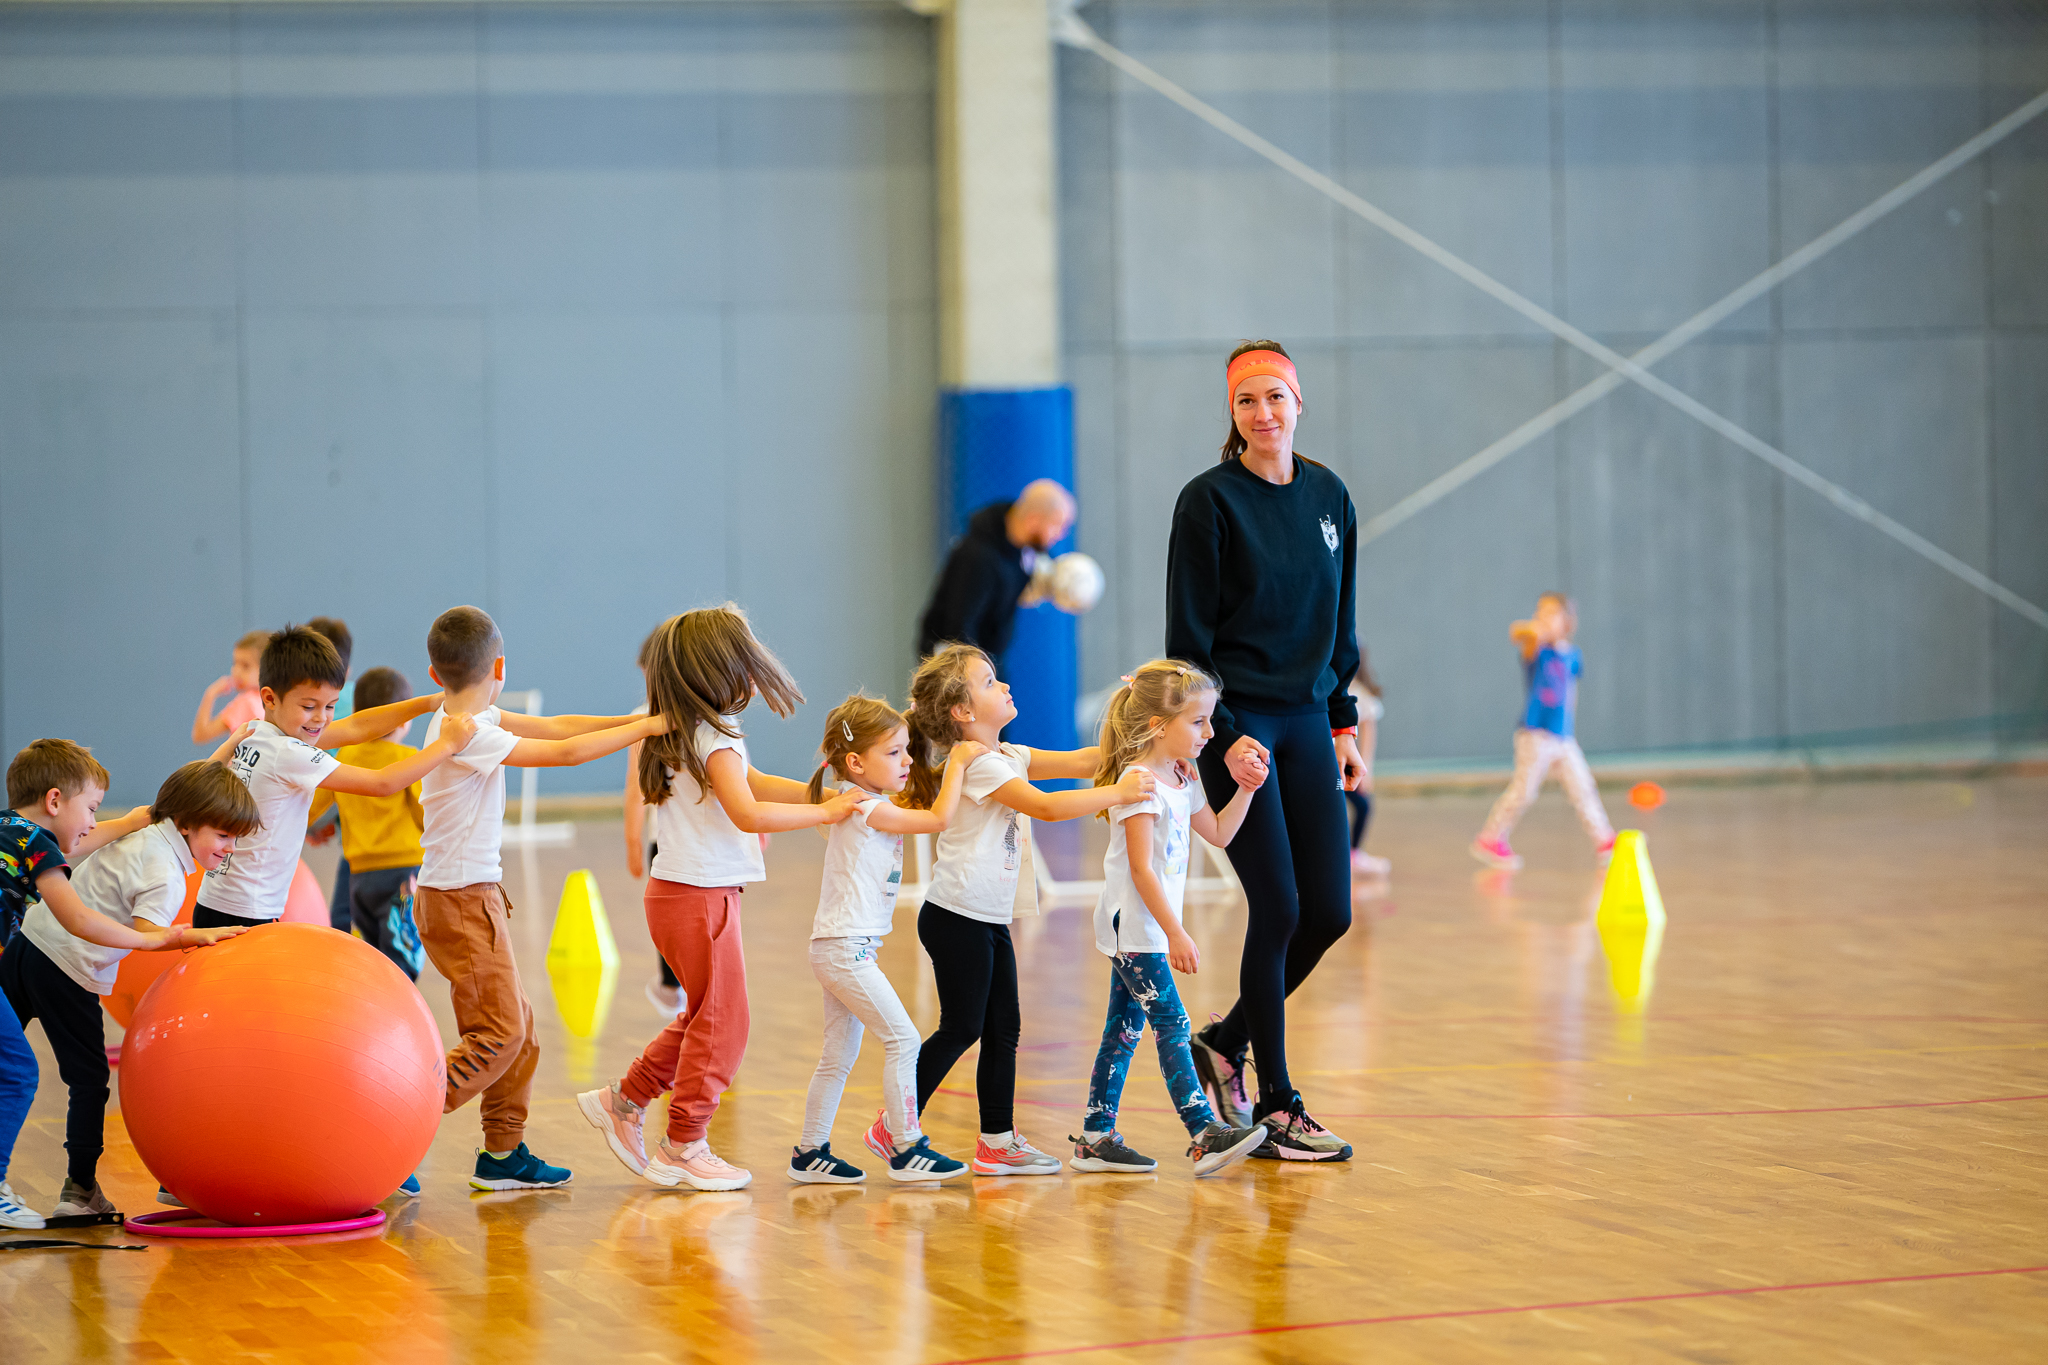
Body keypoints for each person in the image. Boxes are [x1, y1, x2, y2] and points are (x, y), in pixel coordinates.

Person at [578, 607, 860, 1193]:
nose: (757, 677)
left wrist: (826, 794)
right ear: (722, 671)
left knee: (705, 1016)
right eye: (748, 664)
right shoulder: (713, 734)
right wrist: (825, 812)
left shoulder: (696, 729)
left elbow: (750, 786)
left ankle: (623, 1101)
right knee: (726, 1023)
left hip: (691, 895)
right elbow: (748, 811)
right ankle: (684, 1143)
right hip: (697, 897)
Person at [1168, 339, 1361, 1163]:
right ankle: (1279, 1105)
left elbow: (1342, 620)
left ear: (1298, 403)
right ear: (1234, 413)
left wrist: (1343, 721)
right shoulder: (1208, 501)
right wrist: (1216, 731)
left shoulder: (1329, 496)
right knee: (1276, 907)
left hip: (1308, 721)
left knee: (1329, 913)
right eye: (1248, 401)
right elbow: (1186, 638)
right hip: (1237, 725)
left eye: (1275, 396)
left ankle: (1223, 1040)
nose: (1263, 413)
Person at [417, 606, 666, 1193]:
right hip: (459, 899)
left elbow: (559, 727)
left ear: (435, 675)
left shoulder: (468, 713)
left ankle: (502, 1155)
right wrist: (647, 729)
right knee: (499, 1035)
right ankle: (397, 1121)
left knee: (521, 1031)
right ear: (499, 665)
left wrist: (646, 717)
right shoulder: (469, 732)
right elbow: (565, 754)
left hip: (470, 895)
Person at [903, 643, 1154, 1177]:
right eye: (990, 682)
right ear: (962, 712)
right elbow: (1047, 805)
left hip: (986, 917)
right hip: (957, 916)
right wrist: (1117, 794)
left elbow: (1088, 762)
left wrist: (1125, 708)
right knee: (962, 1027)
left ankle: (997, 1141)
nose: (1007, 686)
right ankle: (896, 1128)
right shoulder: (975, 765)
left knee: (1002, 1030)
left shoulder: (1007, 755)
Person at [0, 741, 247, 1230]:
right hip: (66, 964)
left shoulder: (134, 831)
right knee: (87, 1080)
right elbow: (143, 935)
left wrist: (223, 753)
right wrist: (184, 938)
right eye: (223, 835)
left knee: (8, 1065)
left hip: (26, 943)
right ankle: (80, 1190)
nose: (229, 848)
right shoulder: (166, 873)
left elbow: (160, 806)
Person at [1066, 661, 1269, 1179]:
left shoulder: (1182, 776)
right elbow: (1140, 869)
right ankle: (1204, 1133)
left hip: (1147, 928)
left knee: (1123, 1030)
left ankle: (1095, 1137)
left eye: (1209, 721)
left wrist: (1245, 788)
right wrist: (1175, 932)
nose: (1209, 732)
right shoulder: (1139, 781)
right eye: (1198, 722)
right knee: (1173, 1023)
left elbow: (1220, 834)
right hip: (1135, 928)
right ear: (1159, 725)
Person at [788, 696, 979, 1185]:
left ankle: (811, 1152)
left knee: (839, 1056)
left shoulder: (866, 802)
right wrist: (957, 760)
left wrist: (914, 731)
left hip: (840, 947)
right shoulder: (865, 807)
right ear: (855, 763)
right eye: (895, 752)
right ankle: (907, 1145)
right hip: (846, 949)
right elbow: (938, 819)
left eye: (905, 750)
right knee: (904, 1039)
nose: (908, 760)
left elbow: (918, 799)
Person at [195, 626, 471, 931]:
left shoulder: (256, 731)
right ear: (270, 698)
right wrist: (447, 745)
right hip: (245, 910)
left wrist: (430, 703)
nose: (322, 718)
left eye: (330, 706)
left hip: (216, 900)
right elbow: (382, 783)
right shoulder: (289, 753)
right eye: (309, 706)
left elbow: (354, 728)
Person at [1470, 593, 1615, 870]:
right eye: (1540, 612)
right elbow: (1518, 631)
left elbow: (1570, 693)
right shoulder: (1536, 648)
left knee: (1582, 786)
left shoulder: (1572, 655)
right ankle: (1490, 838)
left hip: (1562, 737)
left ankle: (1604, 839)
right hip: (1535, 735)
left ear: (1568, 621)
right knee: (1524, 791)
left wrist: (1568, 730)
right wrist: (1539, 628)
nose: (1543, 617)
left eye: (1552, 613)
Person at [305, 666, 429, 978]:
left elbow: (312, 809)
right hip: (403, 875)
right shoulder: (408, 757)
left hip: (359, 878)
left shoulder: (344, 757)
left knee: (370, 959)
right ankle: (399, 1019)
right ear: (403, 719)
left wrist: (312, 830)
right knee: (403, 960)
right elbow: (426, 815)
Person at [915, 478, 1076, 664]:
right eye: (1058, 525)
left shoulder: (1024, 551)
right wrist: (972, 675)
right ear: (1033, 519)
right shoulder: (978, 556)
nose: (1060, 534)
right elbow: (959, 625)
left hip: (989, 658)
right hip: (954, 664)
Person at [622, 625, 685, 1018]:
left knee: (670, 922)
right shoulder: (644, 719)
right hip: (671, 842)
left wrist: (632, 844)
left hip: (669, 843)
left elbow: (634, 791)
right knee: (673, 921)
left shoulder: (642, 718)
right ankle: (676, 988)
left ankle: (673, 987)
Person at [303, 616, 357, 933]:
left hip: (325, 796)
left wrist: (309, 823)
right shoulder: (356, 693)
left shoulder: (302, 700)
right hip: (337, 795)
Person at [1346, 655, 1390, 878]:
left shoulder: (1360, 694)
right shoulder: (1330, 687)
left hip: (1345, 765)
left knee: (1362, 805)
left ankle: (1354, 854)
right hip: (1327, 761)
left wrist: (1365, 770)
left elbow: (1368, 734)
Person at [189, 629, 270, 746]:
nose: (236, 671)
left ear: (266, 670)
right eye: (235, 663)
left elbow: (201, 735)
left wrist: (210, 694)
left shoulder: (246, 702)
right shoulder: (277, 701)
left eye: (245, 666)